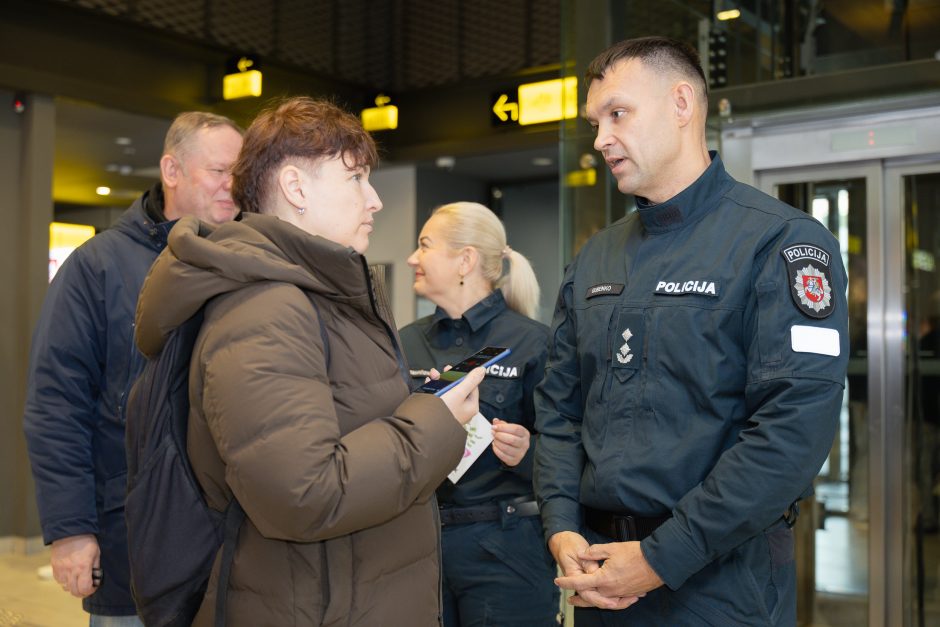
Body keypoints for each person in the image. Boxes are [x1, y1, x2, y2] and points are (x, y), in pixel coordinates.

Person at [132, 96, 484, 626]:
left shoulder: (317, 296)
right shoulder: (264, 307)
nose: (374, 200)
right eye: (356, 179)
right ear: (296, 188)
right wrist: (433, 422)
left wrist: (416, 404)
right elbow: (302, 493)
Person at [534, 36, 849, 625]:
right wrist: (561, 527)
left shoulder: (780, 242)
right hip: (601, 577)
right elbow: (558, 410)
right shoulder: (595, 258)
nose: (600, 138)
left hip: (721, 582)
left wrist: (659, 558)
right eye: (595, 121)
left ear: (682, 104)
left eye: (617, 113)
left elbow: (792, 432)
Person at [22, 111, 243, 626]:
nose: (233, 185)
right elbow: (56, 406)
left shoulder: (249, 262)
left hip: (233, 537)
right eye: (218, 171)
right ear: (172, 170)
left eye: (241, 171)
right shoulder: (96, 267)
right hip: (134, 537)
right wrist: (72, 530)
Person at [399, 202, 560, 626]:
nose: (412, 258)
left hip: (505, 553)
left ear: (465, 260)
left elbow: (570, 452)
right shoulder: (404, 343)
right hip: (418, 550)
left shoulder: (533, 342)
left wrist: (527, 451)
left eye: (425, 246)